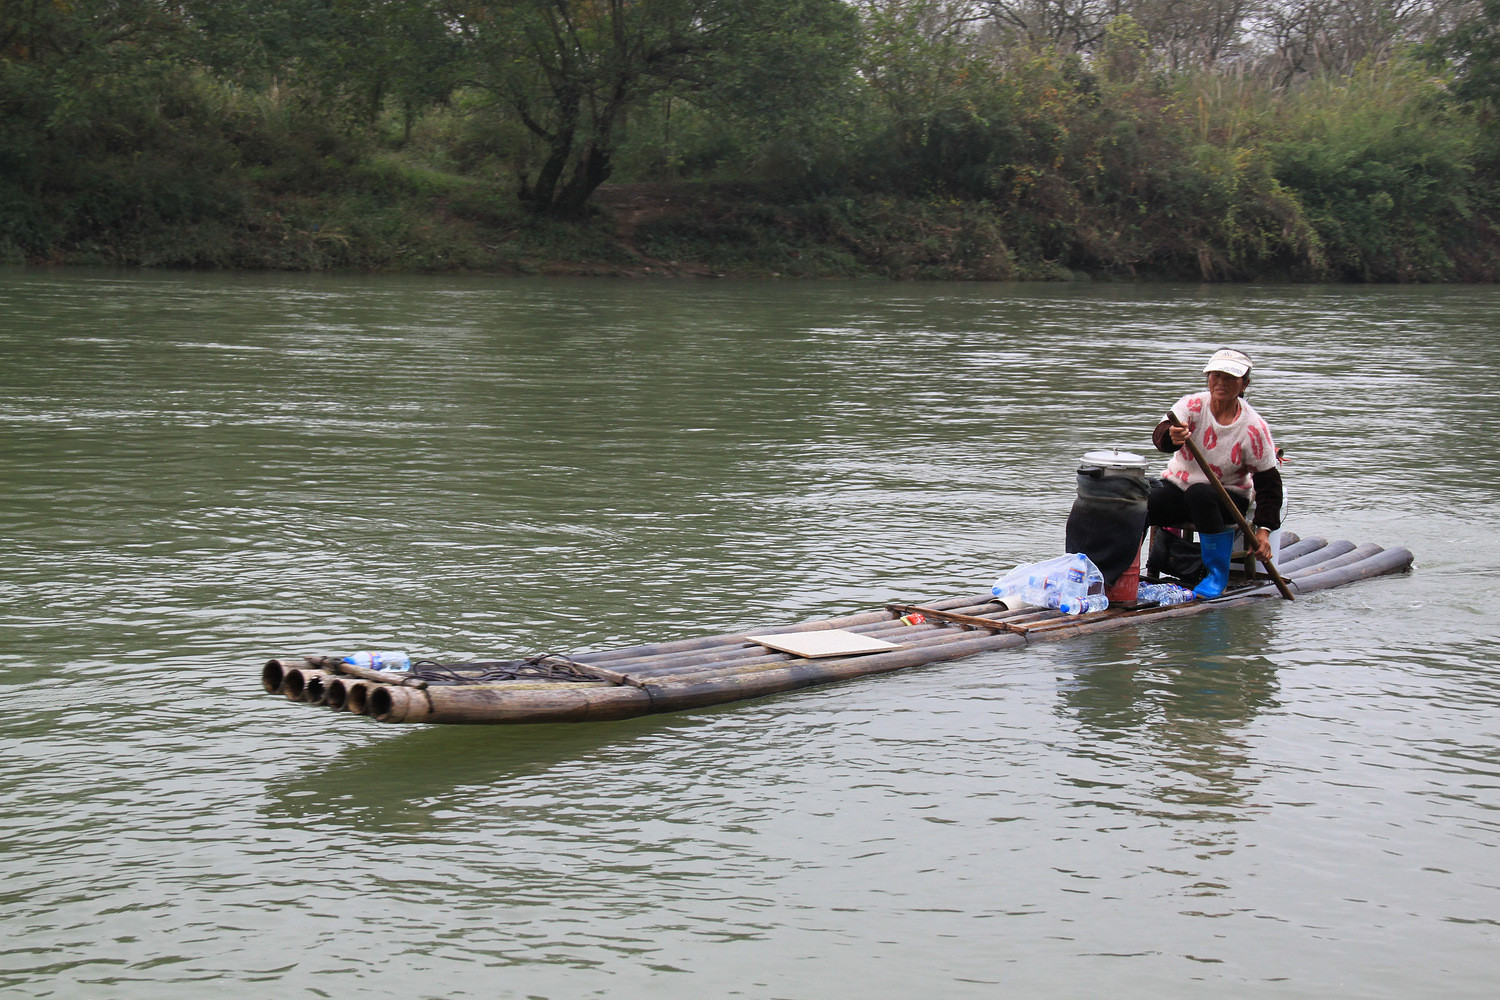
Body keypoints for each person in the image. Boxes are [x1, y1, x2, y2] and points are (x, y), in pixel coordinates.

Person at [1148, 348, 1283, 599]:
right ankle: (1125, 571)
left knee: (1200, 493)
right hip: (1180, 489)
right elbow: (1162, 435)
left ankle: (1216, 574)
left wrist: (1264, 531)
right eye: (1216, 375)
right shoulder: (1192, 405)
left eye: (1230, 377)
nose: (1221, 383)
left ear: (1244, 384)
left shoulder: (1253, 427)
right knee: (1143, 499)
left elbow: (1269, 485)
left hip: (1226, 498)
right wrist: (1172, 436)